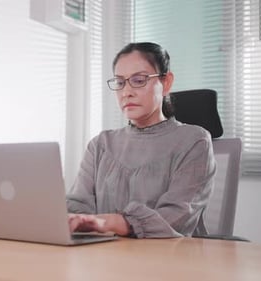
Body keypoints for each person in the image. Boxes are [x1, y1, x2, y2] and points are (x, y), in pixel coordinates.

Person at [66, 42, 216, 238]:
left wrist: (110, 222)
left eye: (138, 80)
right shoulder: (100, 144)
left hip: (169, 259)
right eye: (120, 83)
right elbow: (78, 206)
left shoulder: (195, 141)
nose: (126, 92)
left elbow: (175, 217)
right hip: (104, 257)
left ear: (166, 82)